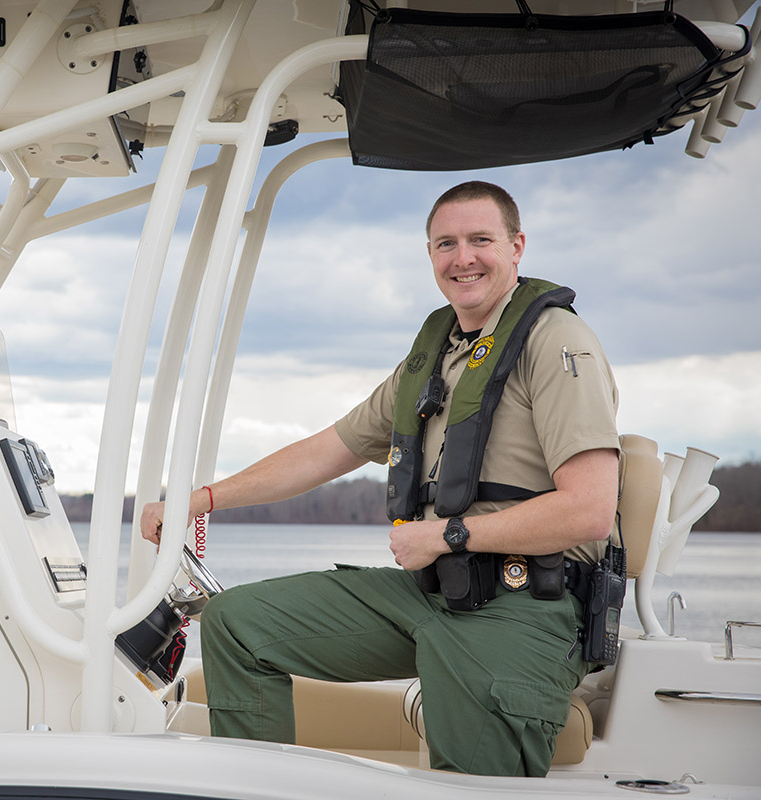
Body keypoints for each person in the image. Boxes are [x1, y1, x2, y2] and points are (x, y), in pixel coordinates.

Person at [139, 181, 620, 777]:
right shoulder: (434, 358)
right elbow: (327, 450)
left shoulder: (557, 342)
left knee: (467, 785)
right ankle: (257, 789)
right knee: (239, 624)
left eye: (480, 240)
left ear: (517, 246)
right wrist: (202, 499)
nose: (462, 257)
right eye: (446, 243)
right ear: (430, 255)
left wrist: (448, 536)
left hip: (524, 608)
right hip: (433, 594)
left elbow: (590, 510)